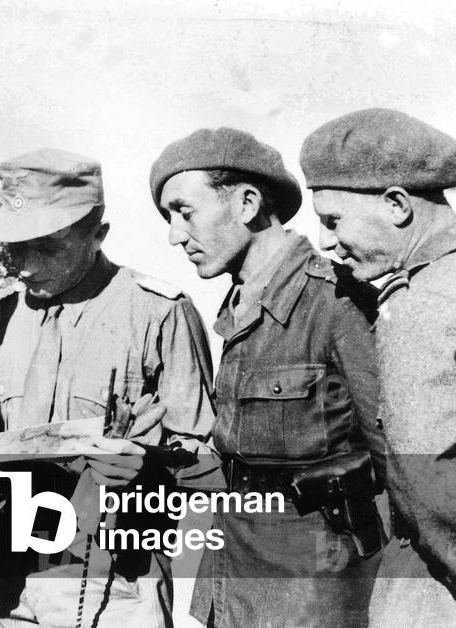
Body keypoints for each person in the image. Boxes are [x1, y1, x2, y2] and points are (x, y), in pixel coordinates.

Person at [0, 148, 216, 628]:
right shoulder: (0, 320)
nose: (26, 267)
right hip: (11, 580)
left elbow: (205, 460)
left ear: (97, 235)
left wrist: (142, 466)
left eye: (48, 247)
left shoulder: (159, 312)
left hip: (118, 585)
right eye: (16, 248)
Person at [151, 127, 387, 628]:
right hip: (233, 565)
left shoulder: (335, 302)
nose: (174, 234)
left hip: (314, 584)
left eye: (184, 212)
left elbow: (398, 456)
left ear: (247, 203)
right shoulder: (238, 305)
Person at [302, 107, 456, 627]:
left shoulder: (421, 304)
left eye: (333, 220)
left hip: (448, 595)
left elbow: (429, 483)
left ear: (396, 205)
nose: (325, 243)